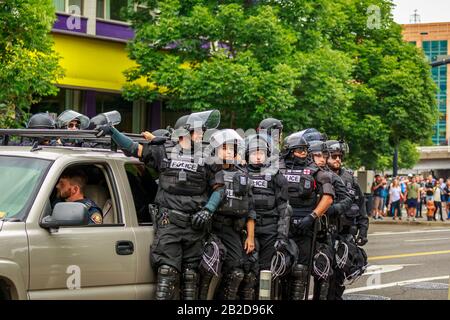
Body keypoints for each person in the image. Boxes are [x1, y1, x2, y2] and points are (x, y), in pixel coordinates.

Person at [97, 110, 225, 300]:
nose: (201, 135)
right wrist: (113, 132)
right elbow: (135, 149)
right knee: (166, 274)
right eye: (198, 131)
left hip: (195, 227)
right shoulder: (162, 151)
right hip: (169, 225)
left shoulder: (208, 158)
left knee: (191, 278)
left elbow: (219, 188)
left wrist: (208, 210)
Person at [198, 129, 254, 300]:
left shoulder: (242, 174)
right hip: (208, 227)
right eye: (225, 148)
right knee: (204, 270)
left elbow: (251, 208)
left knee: (236, 271)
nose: (229, 152)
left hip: (232, 229)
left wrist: (250, 236)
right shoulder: (207, 171)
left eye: (232, 148)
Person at [279, 129, 334, 300]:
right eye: (299, 150)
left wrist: (312, 217)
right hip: (281, 226)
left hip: (305, 226)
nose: (303, 154)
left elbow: (328, 197)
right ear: (289, 151)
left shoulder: (315, 171)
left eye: (305, 150)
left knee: (300, 269)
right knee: (280, 267)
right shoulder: (277, 168)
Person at [244, 133, 290, 299]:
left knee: (267, 271)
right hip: (247, 229)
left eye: (261, 153)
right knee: (249, 271)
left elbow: (284, 208)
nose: (258, 157)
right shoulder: (241, 174)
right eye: (254, 153)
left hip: (270, 230)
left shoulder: (276, 176)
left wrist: (282, 236)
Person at [307, 139, 352, 300]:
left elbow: (347, 199)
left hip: (324, 230)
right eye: (317, 155)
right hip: (301, 229)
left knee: (324, 269)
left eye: (324, 156)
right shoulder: (301, 172)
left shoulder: (331, 177)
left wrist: (330, 209)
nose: (321, 159)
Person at [324, 140, 368, 300]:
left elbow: (361, 205)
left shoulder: (349, 178)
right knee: (323, 271)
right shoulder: (319, 175)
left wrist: (363, 230)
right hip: (324, 233)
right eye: (333, 156)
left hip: (344, 233)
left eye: (339, 156)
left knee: (340, 271)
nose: (337, 159)